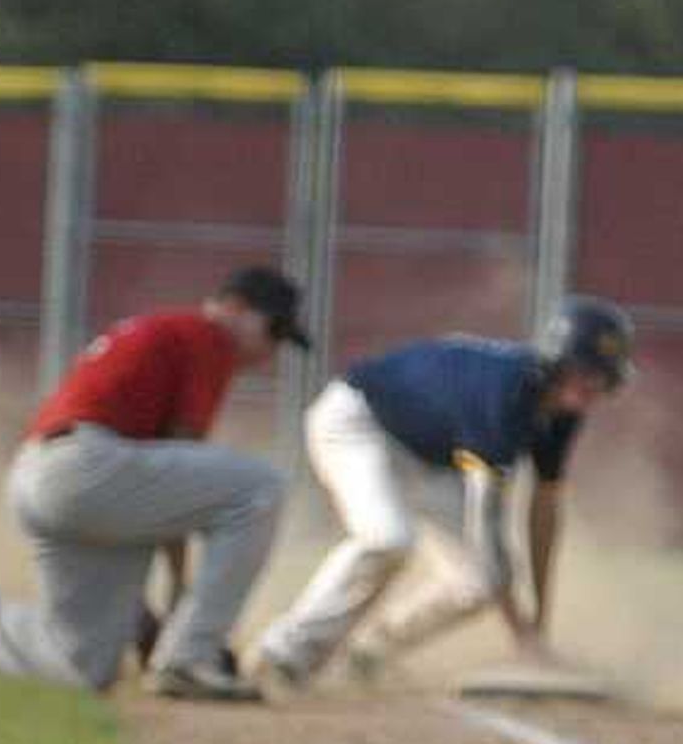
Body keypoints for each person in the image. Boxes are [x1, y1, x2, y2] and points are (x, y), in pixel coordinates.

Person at [0, 266, 307, 702]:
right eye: (274, 329)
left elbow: (165, 487)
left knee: (79, 664)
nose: (273, 348)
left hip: (45, 475)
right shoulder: (207, 337)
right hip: (86, 468)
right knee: (260, 487)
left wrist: (146, 612)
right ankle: (190, 657)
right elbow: (181, 462)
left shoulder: (168, 331)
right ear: (235, 308)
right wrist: (180, 603)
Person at [246, 296, 635, 690]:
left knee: (478, 580)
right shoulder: (504, 398)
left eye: (603, 376)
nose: (595, 385)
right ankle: (283, 653)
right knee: (389, 538)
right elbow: (488, 527)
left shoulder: (562, 413)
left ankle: (370, 652)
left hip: (432, 457)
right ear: (557, 361)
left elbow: (545, 507)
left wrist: (540, 622)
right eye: (586, 371)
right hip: (358, 421)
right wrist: (523, 636)